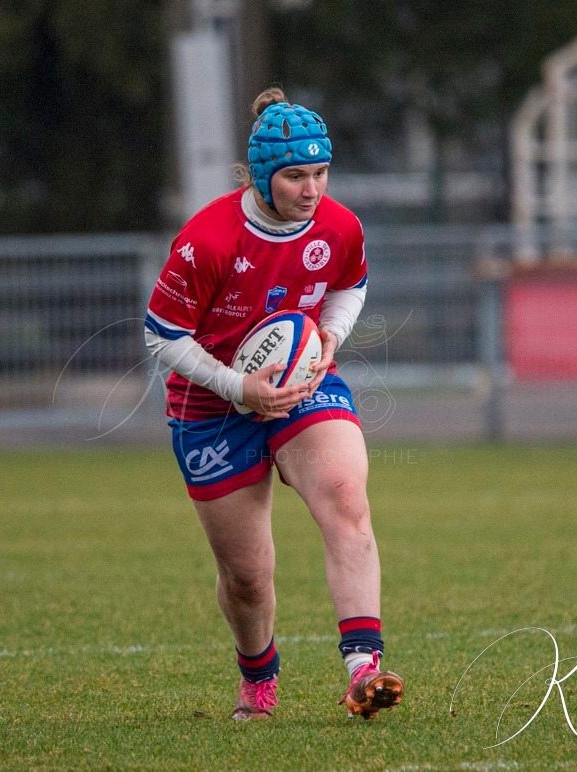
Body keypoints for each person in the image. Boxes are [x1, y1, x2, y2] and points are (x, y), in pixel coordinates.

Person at [144, 87, 404, 720]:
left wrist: (329, 340)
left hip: (303, 385)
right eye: (294, 176)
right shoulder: (206, 239)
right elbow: (161, 334)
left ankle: (362, 669)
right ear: (262, 175)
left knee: (346, 497)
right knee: (248, 576)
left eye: (320, 173)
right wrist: (239, 387)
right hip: (210, 406)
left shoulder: (340, 225)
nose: (311, 190)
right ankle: (258, 677)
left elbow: (350, 285)